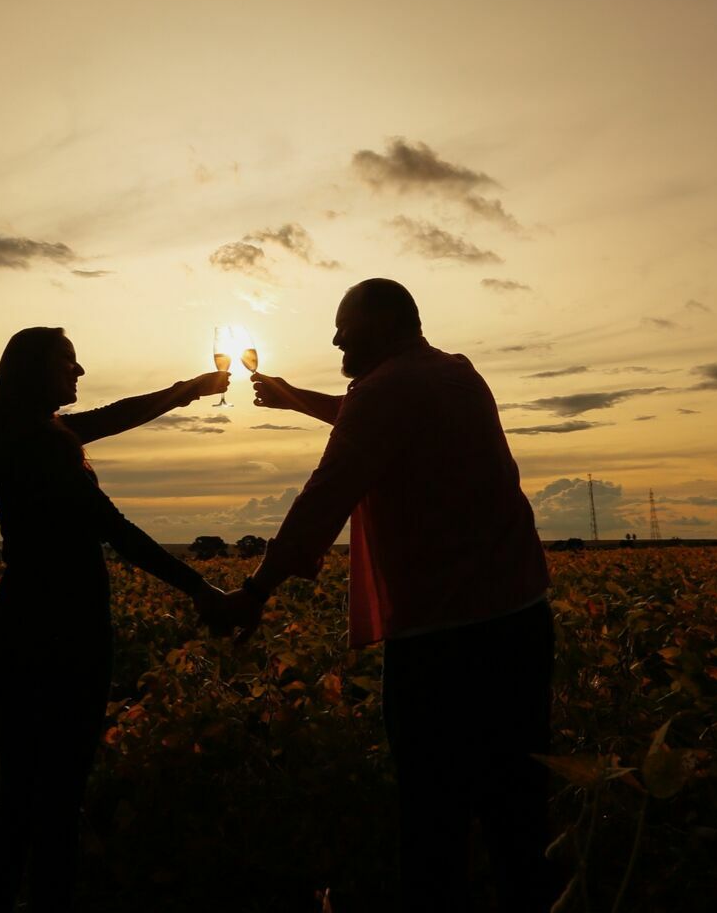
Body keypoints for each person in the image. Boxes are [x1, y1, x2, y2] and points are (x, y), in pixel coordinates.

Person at [212, 279, 556, 913]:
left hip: (443, 643)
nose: (337, 337)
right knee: (520, 816)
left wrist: (256, 591)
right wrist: (296, 400)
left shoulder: (385, 391)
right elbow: (381, 417)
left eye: (347, 326)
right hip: (522, 623)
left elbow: (325, 496)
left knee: (433, 823)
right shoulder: (454, 373)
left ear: (386, 324)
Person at [0, 326, 231, 913]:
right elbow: (112, 527)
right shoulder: (40, 443)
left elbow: (111, 417)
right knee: (56, 801)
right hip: (62, 638)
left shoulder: (25, 432)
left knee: (22, 797)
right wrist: (200, 587)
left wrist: (184, 390)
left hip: (22, 630)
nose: (79, 370)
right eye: (68, 361)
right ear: (36, 371)